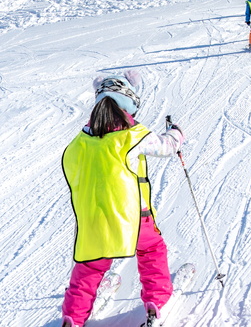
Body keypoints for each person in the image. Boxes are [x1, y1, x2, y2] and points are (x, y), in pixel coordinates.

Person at [61, 73, 185, 327]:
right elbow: (166, 146)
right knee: (151, 250)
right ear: (129, 105)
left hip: (94, 216)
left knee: (90, 265)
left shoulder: (80, 142)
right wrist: (176, 133)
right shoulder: (133, 135)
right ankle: (156, 302)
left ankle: (73, 318)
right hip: (133, 216)